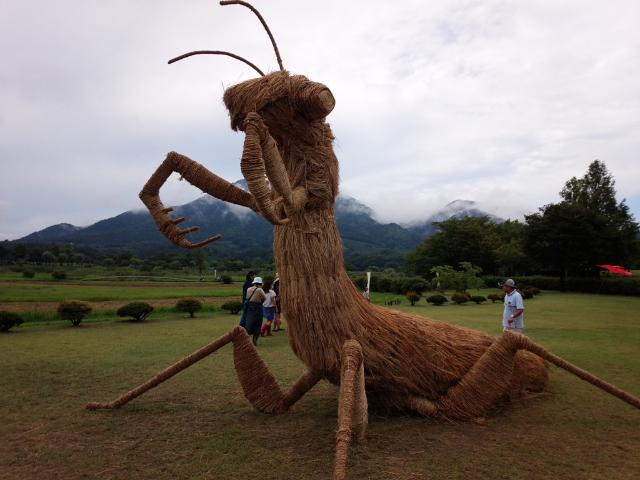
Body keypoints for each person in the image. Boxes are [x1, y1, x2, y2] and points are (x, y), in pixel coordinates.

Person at [244, 276, 266, 345]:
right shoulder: (260, 290)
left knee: (249, 323)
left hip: (250, 308)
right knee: (258, 324)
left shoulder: (248, 289)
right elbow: (264, 298)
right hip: (258, 307)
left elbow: (247, 297)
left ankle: (246, 338)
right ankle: (255, 339)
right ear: (260, 283)